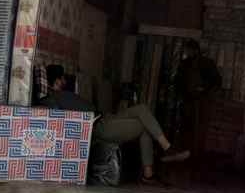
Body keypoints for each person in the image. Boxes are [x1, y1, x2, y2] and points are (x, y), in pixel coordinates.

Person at [43, 64, 189, 184]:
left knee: (142, 109)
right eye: (62, 78)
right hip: (98, 126)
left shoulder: (64, 94)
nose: (65, 80)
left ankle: (166, 149)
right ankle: (150, 172)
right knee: (144, 126)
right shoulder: (54, 98)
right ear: (57, 80)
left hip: (105, 117)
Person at [175, 40, 222, 157]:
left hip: (202, 100)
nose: (188, 52)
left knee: (200, 127)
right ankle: (185, 151)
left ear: (196, 50)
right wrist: (183, 94)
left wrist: (204, 88)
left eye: (190, 50)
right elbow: (178, 81)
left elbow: (217, 80)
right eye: (187, 50)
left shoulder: (207, 63)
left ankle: (197, 152)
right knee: (186, 125)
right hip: (188, 100)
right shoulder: (184, 64)